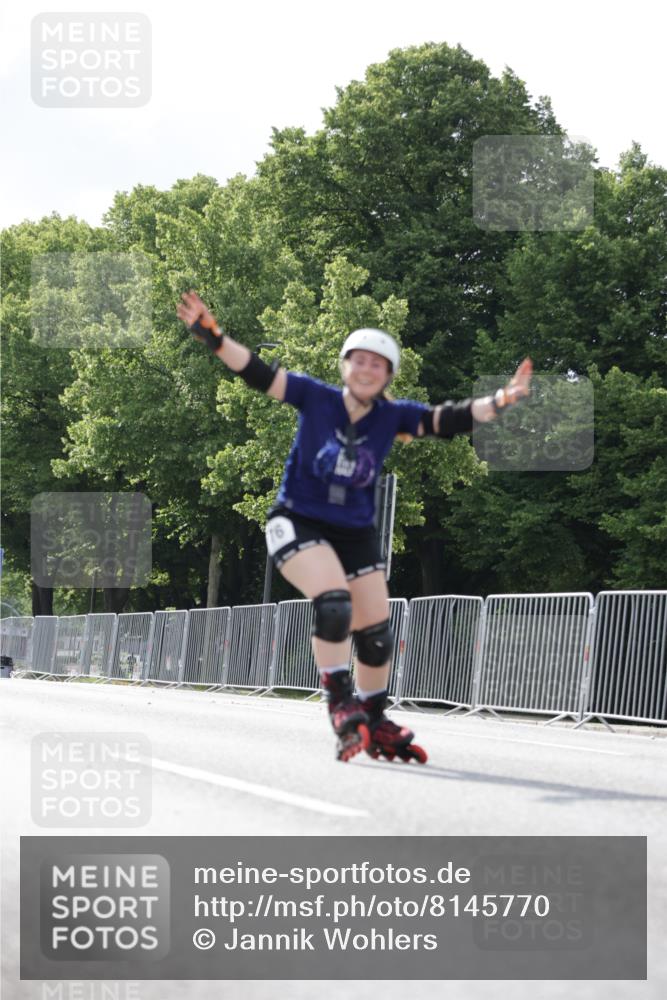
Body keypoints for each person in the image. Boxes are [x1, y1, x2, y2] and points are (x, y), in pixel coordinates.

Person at [177, 291, 532, 763]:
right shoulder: (315, 397)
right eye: (358, 361)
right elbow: (257, 372)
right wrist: (214, 338)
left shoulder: (393, 416)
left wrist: (502, 399)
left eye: (377, 364)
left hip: (353, 532)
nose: (366, 370)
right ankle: (340, 701)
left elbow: (448, 419)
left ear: (387, 375)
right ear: (344, 366)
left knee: (377, 635)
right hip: (297, 522)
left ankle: (375, 715)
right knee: (334, 606)